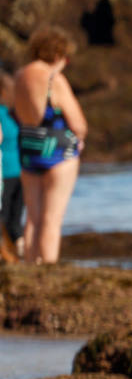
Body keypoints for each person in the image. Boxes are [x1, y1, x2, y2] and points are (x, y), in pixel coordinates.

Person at [14, 27, 86, 265]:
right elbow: (77, 122)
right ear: (58, 54)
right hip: (57, 151)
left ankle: (31, 269)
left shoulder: (20, 76)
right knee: (51, 219)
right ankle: (48, 270)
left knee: (32, 218)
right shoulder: (54, 78)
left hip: (28, 149)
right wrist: (81, 137)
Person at [0, 72, 22, 263]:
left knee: (15, 218)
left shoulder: (12, 113)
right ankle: (5, 254)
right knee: (3, 215)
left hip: (20, 172)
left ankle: (16, 253)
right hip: (4, 173)